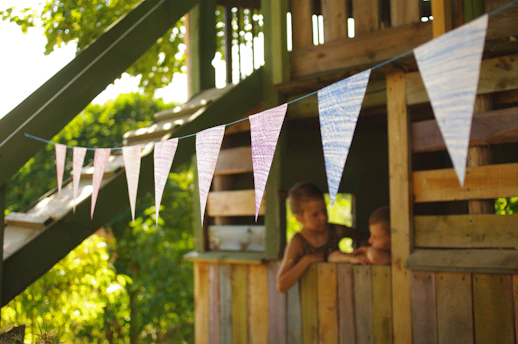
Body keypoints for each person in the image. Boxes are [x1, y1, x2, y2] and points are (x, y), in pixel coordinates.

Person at [276, 182, 369, 293]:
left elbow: (366, 238)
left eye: (324, 210)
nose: (323, 217)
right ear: (299, 218)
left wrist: (363, 251)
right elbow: (281, 284)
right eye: (315, 215)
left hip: (345, 292)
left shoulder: (336, 231)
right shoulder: (297, 243)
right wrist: (307, 260)